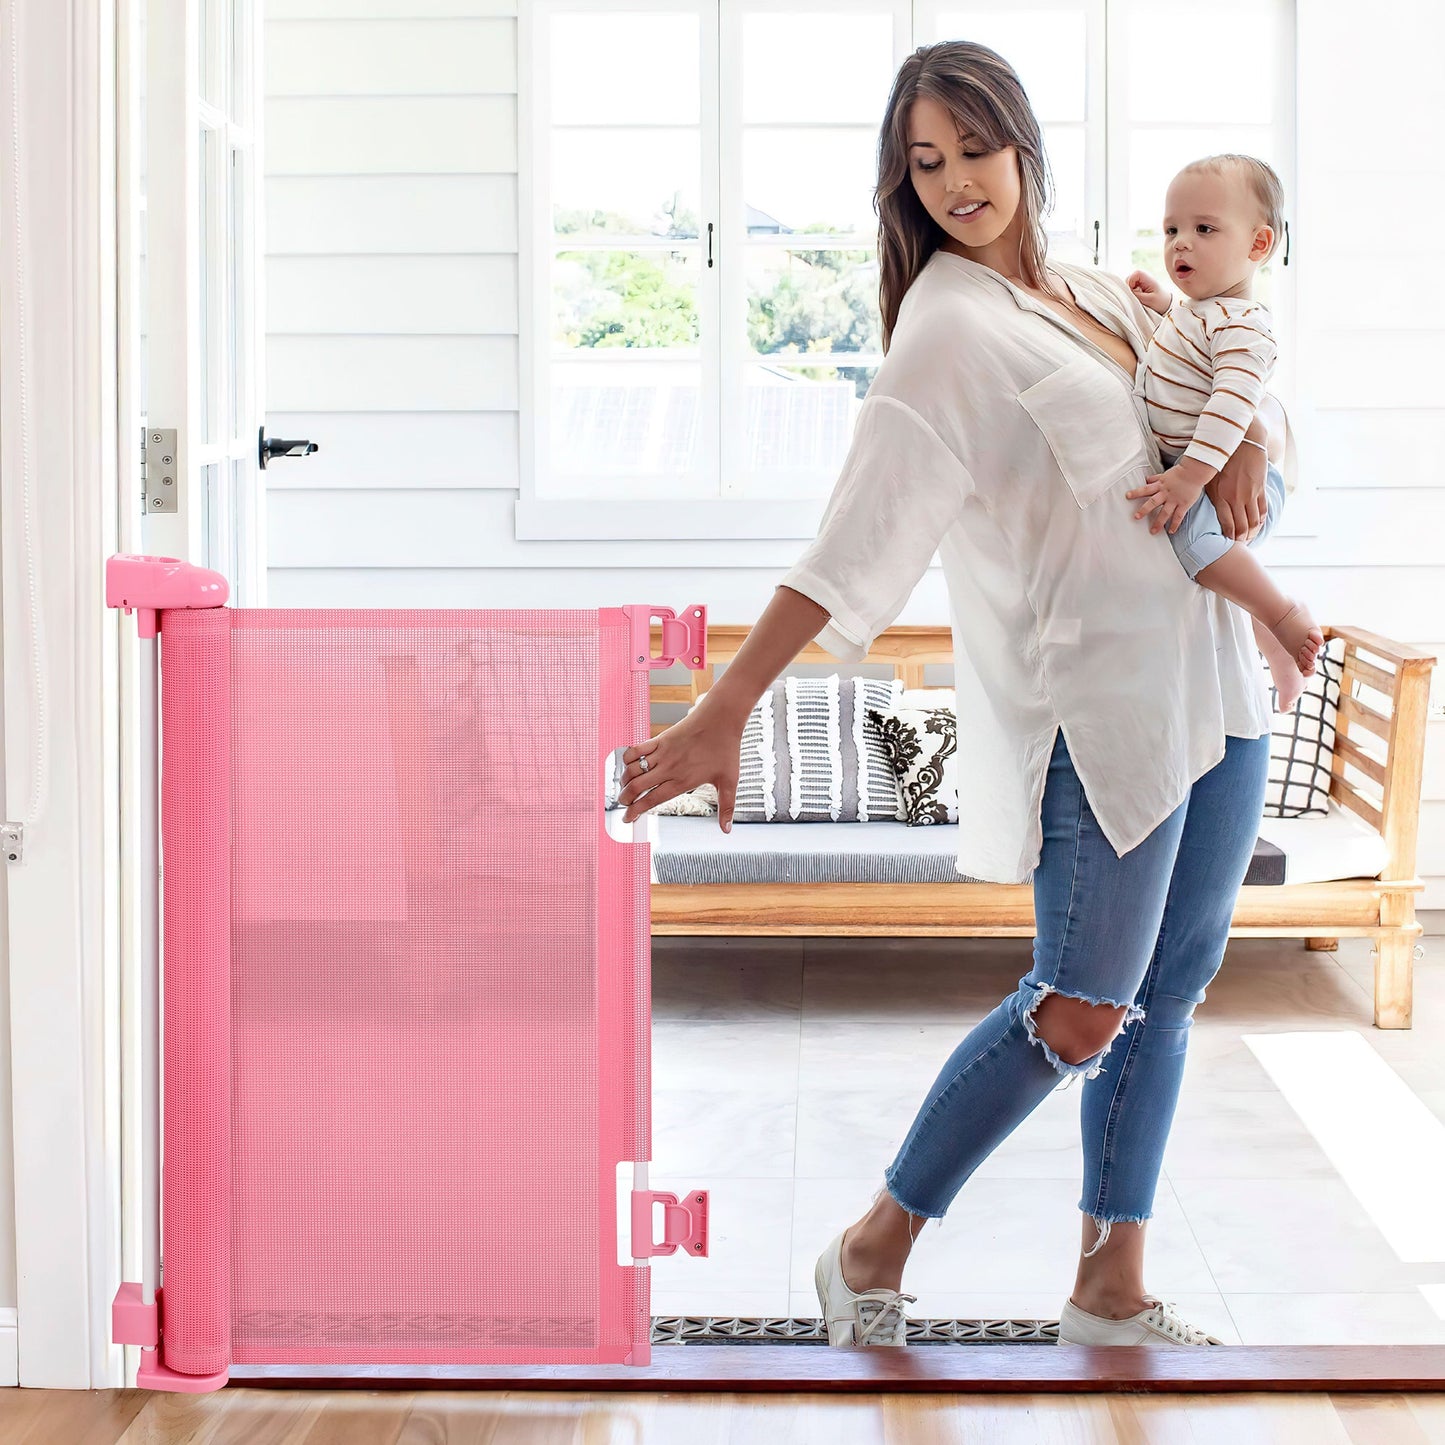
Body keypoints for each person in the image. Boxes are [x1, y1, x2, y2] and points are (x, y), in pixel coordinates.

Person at [618, 40, 1287, 1349]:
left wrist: (1247, 430)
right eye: (922, 164)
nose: (954, 182)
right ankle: (875, 1236)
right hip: (1097, 716)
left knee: (1171, 993)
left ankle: (1110, 1284)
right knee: (1082, 1003)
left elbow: (1222, 385)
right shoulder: (946, 329)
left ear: (1023, 147)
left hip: (1213, 686)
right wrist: (728, 704)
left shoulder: (1099, 288)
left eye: (973, 150)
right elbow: (850, 541)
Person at [1125, 153, 1322, 711]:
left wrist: (1189, 476)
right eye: (1171, 230)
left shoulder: (1245, 326)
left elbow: (1233, 405)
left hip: (1229, 486)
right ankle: (1276, 649)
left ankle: (1285, 617)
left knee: (1190, 544)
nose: (1180, 243)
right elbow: (1189, 352)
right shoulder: (1201, 312)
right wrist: (1163, 305)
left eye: (1204, 229)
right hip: (1207, 477)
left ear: (1258, 246)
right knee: (1214, 573)